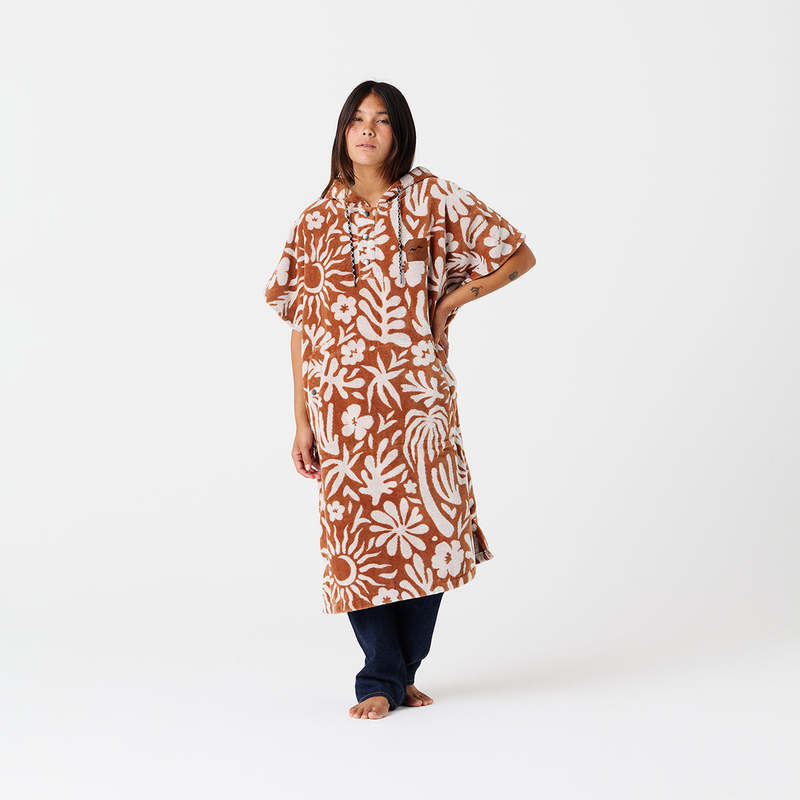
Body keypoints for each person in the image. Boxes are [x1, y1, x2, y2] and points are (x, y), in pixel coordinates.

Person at [264, 81, 536, 720]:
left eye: (382, 120)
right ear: (343, 131)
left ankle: (397, 673)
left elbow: (517, 255)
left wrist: (451, 300)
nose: (368, 129)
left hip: (417, 401)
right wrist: (301, 419)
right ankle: (382, 678)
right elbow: (300, 325)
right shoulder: (314, 220)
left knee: (428, 533)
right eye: (357, 119)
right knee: (358, 544)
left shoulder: (433, 197)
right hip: (341, 410)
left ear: (399, 133)